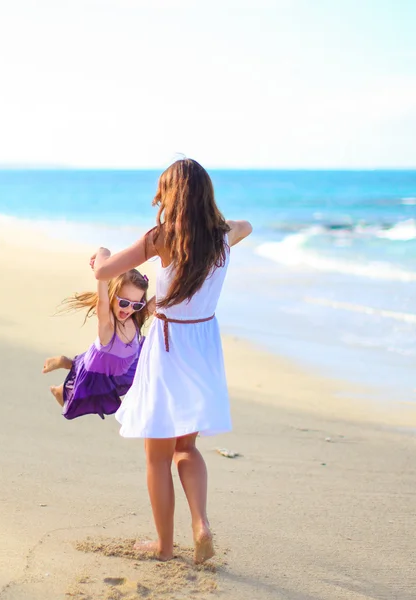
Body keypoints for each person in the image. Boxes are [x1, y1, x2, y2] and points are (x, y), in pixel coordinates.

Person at [89, 158, 253, 563]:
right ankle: (201, 525)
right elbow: (246, 226)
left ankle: (164, 547)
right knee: (187, 448)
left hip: (168, 347)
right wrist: (208, 222)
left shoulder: (161, 238)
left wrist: (101, 253)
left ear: (171, 196)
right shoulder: (221, 238)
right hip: (204, 345)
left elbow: (105, 271)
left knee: (157, 456)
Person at [42, 268, 155, 420]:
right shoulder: (107, 325)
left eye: (136, 305)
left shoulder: (135, 319)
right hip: (98, 369)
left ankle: (65, 364)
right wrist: (103, 261)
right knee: (79, 393)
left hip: (125, 367)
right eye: (124, 302)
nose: (129, 309)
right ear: (112, 296)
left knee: (143, 375)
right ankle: (60, 379)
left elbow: (158, 301)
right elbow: (102, 298)